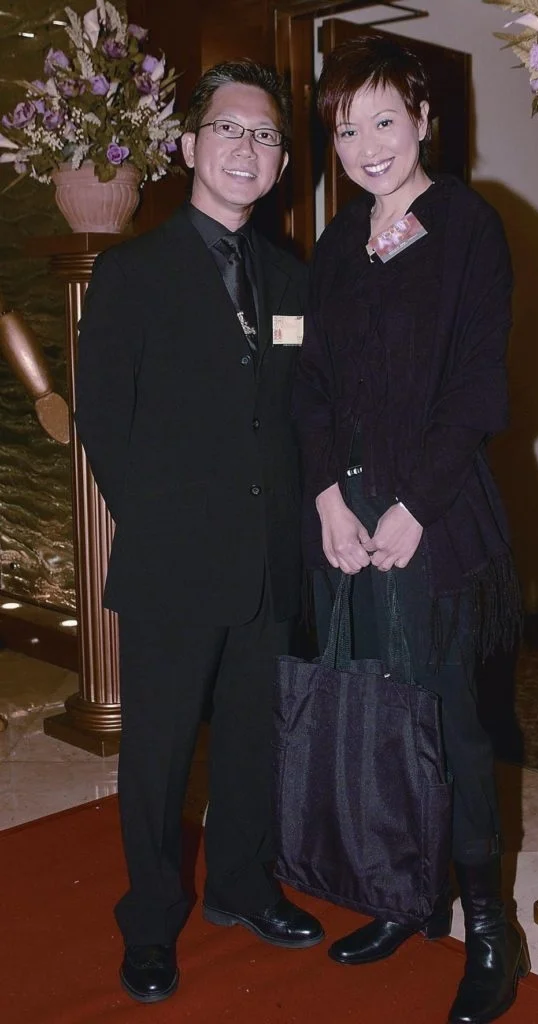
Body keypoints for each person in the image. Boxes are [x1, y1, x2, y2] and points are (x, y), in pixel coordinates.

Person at [75, 59, 323, 1004]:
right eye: (228, 128)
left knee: (255, 737)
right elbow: (105, 420)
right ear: (187, 146)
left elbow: (295, 416)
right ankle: (148, 920)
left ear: (281, 161)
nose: (245, 147)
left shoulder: (291, 278)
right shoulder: (132, 272)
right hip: (174, 561)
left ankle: (242, 886)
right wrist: (162, 523)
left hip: (268, 560)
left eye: (264, 135)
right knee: (160, 753)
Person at [292, 36, 528, 1024]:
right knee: (371, 718)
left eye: (384, 120)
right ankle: (400, 893)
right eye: (345, 129)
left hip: (433, 518)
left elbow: (476, 393)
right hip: (344, 522)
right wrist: (324, 497)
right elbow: (306, 379)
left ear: (424, 119)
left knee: (449, 727)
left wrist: (411, 508)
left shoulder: (469, 226)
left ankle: (489, 930)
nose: (365, 145)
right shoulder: (337, 242)